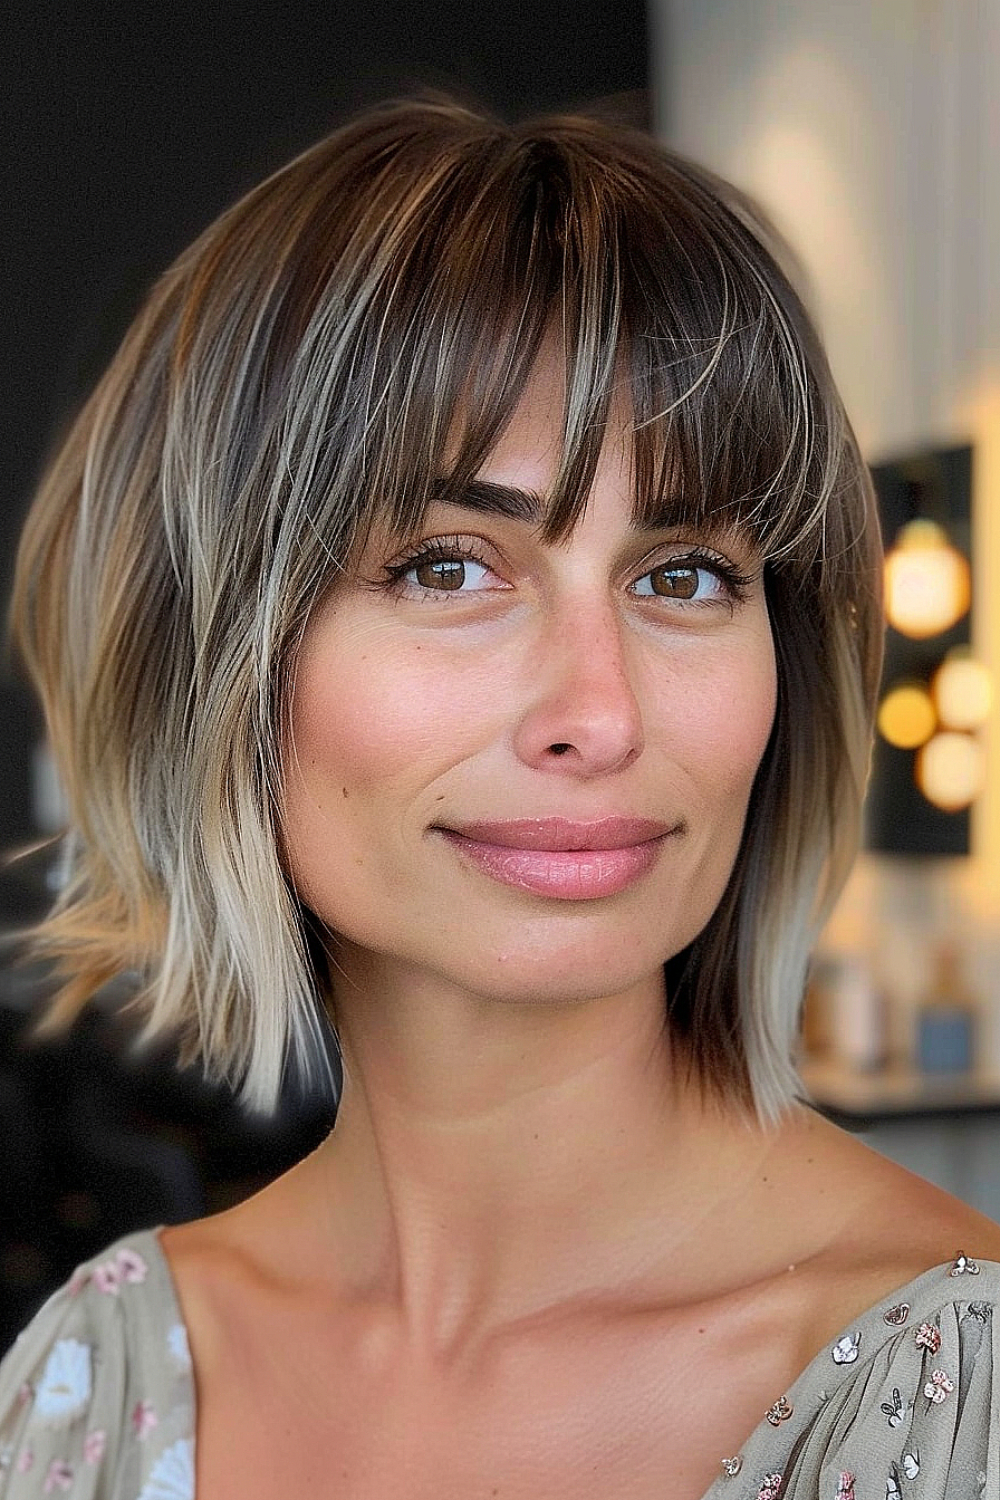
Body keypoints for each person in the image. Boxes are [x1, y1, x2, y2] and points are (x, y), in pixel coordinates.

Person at [1, 96, 998, 1500]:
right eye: (447, 567)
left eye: (685, 576)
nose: (600, 713)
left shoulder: (959, 1395)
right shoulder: (91, 1382)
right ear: (212, 656)